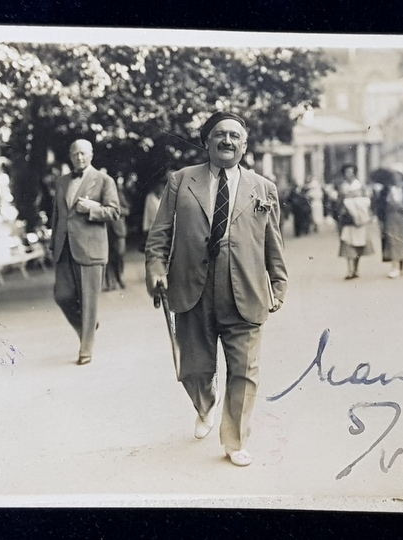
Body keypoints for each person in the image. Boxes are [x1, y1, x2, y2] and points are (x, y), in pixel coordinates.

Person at [144, 111, 287, 467]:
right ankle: (205, 404)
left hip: (246, 288)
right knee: (193, 368)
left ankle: (235, 440)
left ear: (244, 144)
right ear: (206, 141)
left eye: (235, 136)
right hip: (192, 288)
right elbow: (160, 234)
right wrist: (156, 269)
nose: (227, 141)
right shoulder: (181, 180)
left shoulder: (262, 187)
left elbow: (274, 241)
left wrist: (278, 282)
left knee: (245, 370)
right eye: (219, 134)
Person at [49, 139, 120, 365]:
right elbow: (57, 216)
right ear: (70, 157)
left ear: (91, 155)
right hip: (64, 247)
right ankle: (87, 326)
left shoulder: (104, 180)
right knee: (62, 296)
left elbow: (115, 212)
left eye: (83, 154)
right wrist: (53, 244)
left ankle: (86, 348)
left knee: (89, 302)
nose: (79, 158)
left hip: (91, 248)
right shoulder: (61, 182)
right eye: (75, 154)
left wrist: (94, 209)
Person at [376, 163, 403, 278]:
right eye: (394, 175)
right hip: (391, 218)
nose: (395, 177)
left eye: (397, 175)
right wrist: (381, 218)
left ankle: (402, 266)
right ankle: (394, 266)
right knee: (392, 241)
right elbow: (380, 205)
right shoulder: (386, 189)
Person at [336, 164, 374, 280]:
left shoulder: (360, 186)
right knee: (348, 243)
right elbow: (338, 203)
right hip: (347, 219)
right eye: (346, 172)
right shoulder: (342, 187)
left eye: (351, 172)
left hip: (360, 219)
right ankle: (350, 270)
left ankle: (356, 269)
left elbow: (367, 201)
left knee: (359, 244)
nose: (349, 174)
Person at [104, 176, 130, 291]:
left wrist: (118, 210)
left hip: (119, 229)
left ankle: (119, 278)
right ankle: (110, 282)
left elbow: (127, 210)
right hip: (105, 229)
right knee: (107, 257)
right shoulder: (99, 196)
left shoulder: (119, 194)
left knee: (119, 254)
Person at [140, 175, 165, 252]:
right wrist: (145, 227)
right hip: (152, 227)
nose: (161, 189)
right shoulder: (150, 197)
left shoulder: (165, 198)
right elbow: (147, 213)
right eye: (160, 187)